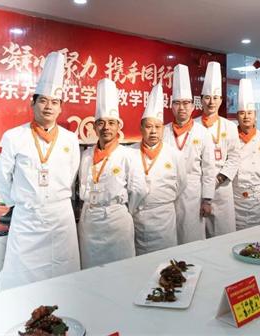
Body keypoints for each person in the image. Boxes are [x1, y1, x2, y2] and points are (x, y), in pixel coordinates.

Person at [0, 51, 81, 290]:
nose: (48, 107)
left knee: (64, 279)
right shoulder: (13, 136)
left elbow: (72, 173)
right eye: (43, 101)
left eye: (54, 102)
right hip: (27, 219)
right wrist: (18, 202)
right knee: (20, 278)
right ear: (33, 103)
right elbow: (2, 176)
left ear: (60, 108)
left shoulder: (70, 139)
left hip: (61, 218)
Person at [78, 78, 147, 269]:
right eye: (101, 123)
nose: (106, 127)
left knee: (121, 270)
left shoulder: (128, 155)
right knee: (90, 270)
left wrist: (121, 209)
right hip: (90, 221)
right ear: (94, 127)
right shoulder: (86, 155)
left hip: (117, 220)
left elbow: (139, 190)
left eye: (111, 123)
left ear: (118, 126)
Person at [131, 83, 186, 255]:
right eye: (149, 126)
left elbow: (181, 185)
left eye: (158, 127)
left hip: (164, 217)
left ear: (163, 129)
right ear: (141, 128)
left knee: (165, 260)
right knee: (138, 260)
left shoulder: (174, 154)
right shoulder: (129, 153)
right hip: (137, 217)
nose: (153, 131)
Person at [164, 64, 216, 244]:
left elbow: (209, 169)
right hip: (168, 192)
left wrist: (207, 200)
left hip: (193, 194)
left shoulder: (202, 133)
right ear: (171, 106)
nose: (182, 107)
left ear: (193, 106)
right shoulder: (163, 132)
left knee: (191, 237)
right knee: (170, 237)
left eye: (186, 103)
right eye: (177, 103)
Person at [195, 61, 240, 238]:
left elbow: (234, 157)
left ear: (221, 100)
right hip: (198, 187)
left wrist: (217, 179)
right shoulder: (194, 126)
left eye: (215, 98)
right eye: (207, 97)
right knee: (199, 235)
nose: (211, 102)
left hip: (222, 188)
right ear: (201, 100)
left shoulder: (230, 126)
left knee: (224, 234)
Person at [232, 79, 260, 230]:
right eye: (242, 113)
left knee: (258, 231)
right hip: (235, 193)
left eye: (250, 113)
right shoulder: (230, 137)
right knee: (235, 231)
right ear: (237, 116)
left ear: (255, 115)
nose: (246, 117)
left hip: (258, 195)